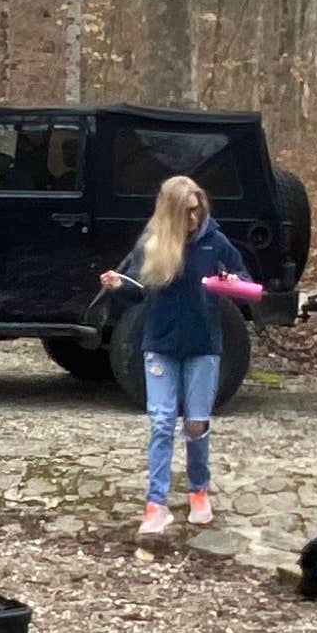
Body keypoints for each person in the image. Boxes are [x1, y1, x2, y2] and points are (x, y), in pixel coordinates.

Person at [101, 175, 264, 535]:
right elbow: (138, 290)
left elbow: (245, 280)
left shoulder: (216, 241)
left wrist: (233, 282)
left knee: (196, 424)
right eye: (187, 211)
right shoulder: (151, 243)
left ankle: (198, 490)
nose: (194, 217)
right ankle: (155, 504)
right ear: (171, 212)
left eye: (197, 209)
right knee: (161, 423)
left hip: (203, 346)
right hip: (160, 345)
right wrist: (118, 285)